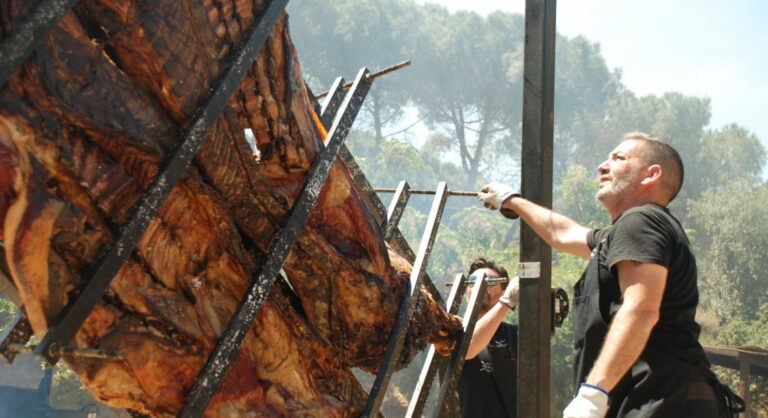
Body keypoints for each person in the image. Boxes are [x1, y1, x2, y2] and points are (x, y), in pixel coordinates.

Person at [477, 133, 742, 418]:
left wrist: (594, 393)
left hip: (664, 402)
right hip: (657, 401)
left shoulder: (641, 221)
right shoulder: (626, 232)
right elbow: (563, 233)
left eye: (619, 158)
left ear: (651, 174)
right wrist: (512, 200)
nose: (602, 166)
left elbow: (641, 310)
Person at [458, 257, 520, 418]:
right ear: (466, 294)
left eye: (490, 282)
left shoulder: (517, 334)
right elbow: (467, 347)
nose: (480, 286)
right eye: (473, 281)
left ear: (504, 292)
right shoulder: (454, 329)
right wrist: (507, 302)